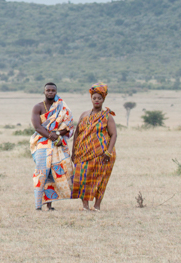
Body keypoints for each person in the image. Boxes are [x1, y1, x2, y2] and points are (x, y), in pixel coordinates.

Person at [71, 82, 117, 211]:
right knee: (81, 178)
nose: (97, 100)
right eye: (94, 98)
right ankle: (85, 206)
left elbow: (114, 135)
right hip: (83, 153)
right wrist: (74, 152)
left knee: (100, 179)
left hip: (102, 154)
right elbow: (77, 133)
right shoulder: (84, 115)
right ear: (91, 99)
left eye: (99, 98)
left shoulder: (107, 116)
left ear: (103, 100)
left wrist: (108, 152)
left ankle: (97, 205)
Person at [30, 82, 74, 211]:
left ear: (56, 92)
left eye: (52, 90)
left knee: (54, 173)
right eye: (48, 90)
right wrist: (50, 135)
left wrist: (58, 134)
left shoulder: (62, 107)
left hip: (57, 143)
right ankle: (38, 205)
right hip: (42, 143)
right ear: (44, 92)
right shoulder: (37, 107)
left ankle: (49, 205)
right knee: (41, 172)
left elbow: (68, 126)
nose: (50, 92)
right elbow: (37, 127)